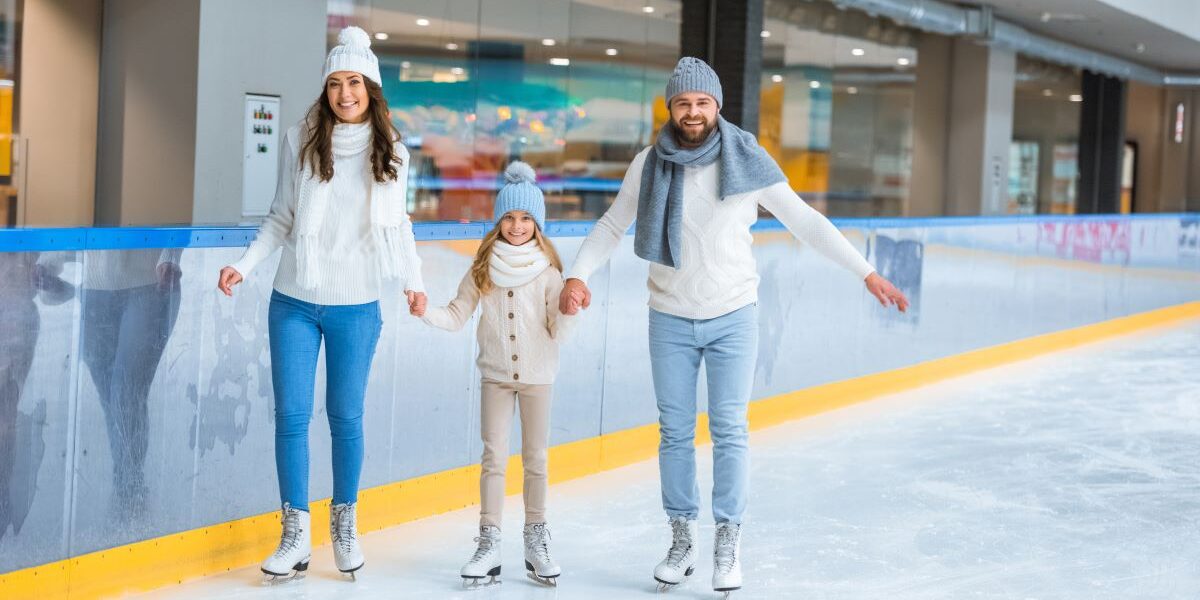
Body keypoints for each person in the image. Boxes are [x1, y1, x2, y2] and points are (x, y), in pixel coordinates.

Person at [559, 57, 908, 596]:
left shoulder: (747, 159)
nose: (693, 112)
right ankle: (681, 538)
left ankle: (727, 538)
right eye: (683, 103)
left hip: (733, 315)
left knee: (730, 430)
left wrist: (866, 272)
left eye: (702, 102)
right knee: (674, 432)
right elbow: (610, 225)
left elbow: (805, 222)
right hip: (670, 316)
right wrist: (578, 275)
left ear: (717, 106)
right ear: (671, 108)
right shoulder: (649, 163)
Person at [216, 26, 425, 581]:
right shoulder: (299, 140)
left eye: (354, 81)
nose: (344, 93)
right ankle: (294, 534)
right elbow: (282, 217)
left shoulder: (394, 153)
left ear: (371, 88)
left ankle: (344, 524)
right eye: (335, 82)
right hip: (294, 299)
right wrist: (244, 263)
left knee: (345, 417)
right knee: (289, 416)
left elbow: (400, 226)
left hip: (356, 303)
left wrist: (413, 278)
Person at [417, 162, 571, 589]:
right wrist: (424, 311)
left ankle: (536, 541)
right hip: (496, 377)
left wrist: (571, 310)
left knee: (536, 460)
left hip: (538, 377)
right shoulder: (481, 270)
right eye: (508, 217)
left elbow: (559, 329)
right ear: (498, 220)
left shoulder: (548, 272)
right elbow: (455, 315)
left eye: (525, 219)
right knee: (493, 459)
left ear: (537, 225)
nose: (516, 226)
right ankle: (488, 543)